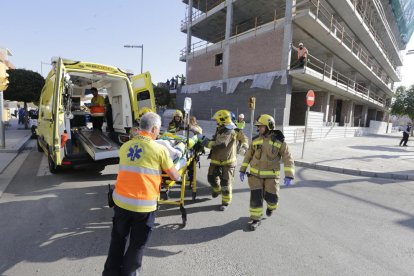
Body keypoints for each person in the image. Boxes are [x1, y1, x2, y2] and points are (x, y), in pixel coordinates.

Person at [103, 112, 181, 276]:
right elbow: (175, 176)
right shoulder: (158, 149)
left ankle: (110, 273)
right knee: (137, 244)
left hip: (120, 203)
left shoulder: (125, 147)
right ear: (153, 129)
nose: (158, 133)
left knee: (118, 239)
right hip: (143, 207)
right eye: (158, 130)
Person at [239, 114, 295, 231]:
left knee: (272, 198)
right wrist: (242, 170)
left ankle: (271, 207)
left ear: (269, 126)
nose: (258, 128)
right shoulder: (255, 140)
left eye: (261, 126)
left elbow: (287, 157)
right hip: (255, 176)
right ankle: (256, 219)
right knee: (256, 197)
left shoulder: (279, 141)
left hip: (271, 177)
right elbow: (248, 155)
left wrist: (289, 175)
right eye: (258, 126)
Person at [202, 109, 248, 211]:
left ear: (222, 120)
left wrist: (244, 146)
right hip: (216, 159)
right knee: (211, 178)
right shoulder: (220, 128)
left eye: (217, 120)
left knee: (225, 183)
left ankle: (225, 202)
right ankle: (217, 190)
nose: (216, 122)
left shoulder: (232, 130)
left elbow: (221, 144)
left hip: (228, 161)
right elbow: (216, 140)